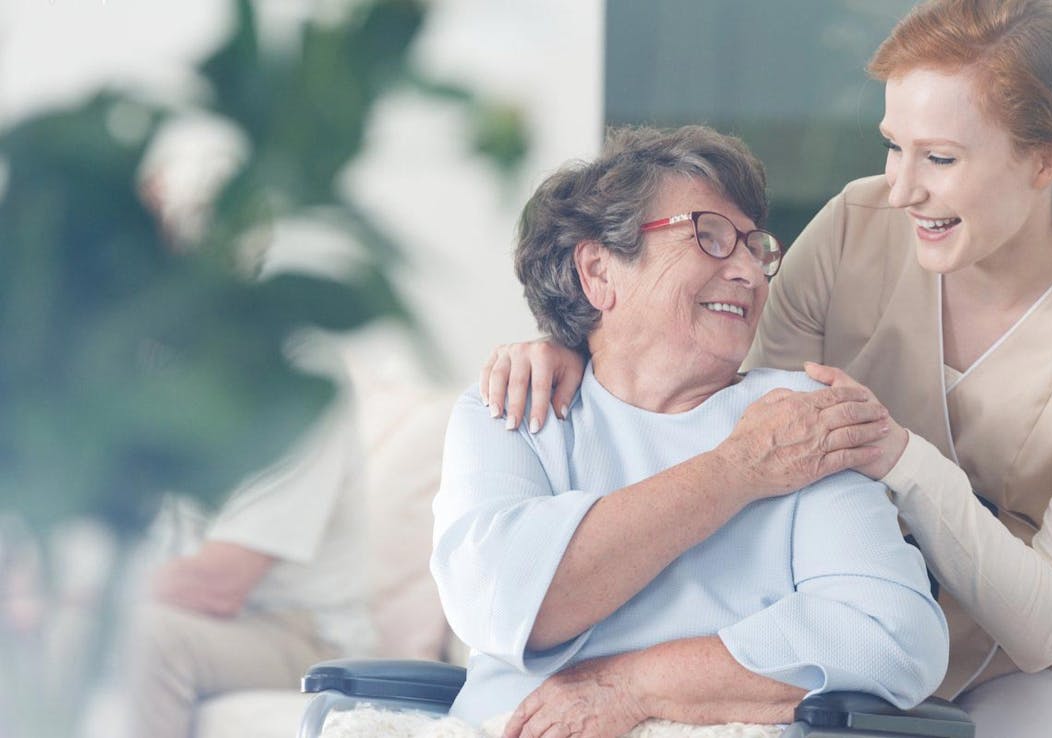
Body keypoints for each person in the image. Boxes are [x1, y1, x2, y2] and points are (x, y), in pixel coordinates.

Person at [477, 2, 1052, 737]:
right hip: (853, 628)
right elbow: (729, 409)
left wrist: (900, 458)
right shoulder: (859, 223)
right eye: (893, 146)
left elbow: (1047, 625)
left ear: (1047, 159)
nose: (901, 187)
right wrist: (582, 335)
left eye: (940, 158)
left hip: (1047, 662)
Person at [431, 125, 949, 738]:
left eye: (756, 249)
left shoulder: (800, 419)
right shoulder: (516, 407)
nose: (750, 275)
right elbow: (501, 601)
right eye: (710, 237)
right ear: (598, 270)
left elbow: (893, 637)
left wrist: (634, 687)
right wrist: (738, 470)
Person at [128, 382, 376, 738]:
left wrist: (90, 598)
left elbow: (217, 585)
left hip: (308, 635)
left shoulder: (299, 383)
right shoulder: (164, 380)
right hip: (211, 620)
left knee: (146, 637)